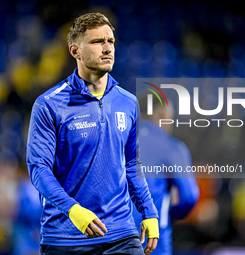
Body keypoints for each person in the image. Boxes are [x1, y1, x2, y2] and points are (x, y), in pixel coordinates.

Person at [26, 12, 159, 255]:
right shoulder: (49, 105)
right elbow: (38, 169)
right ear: (75, 51)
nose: (107, 48)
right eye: (98, 42)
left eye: (111, 41)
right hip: (65, 239)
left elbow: (131, 163)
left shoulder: (128, 102)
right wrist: (73, 210)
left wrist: (149, 212)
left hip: (121, 234)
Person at [132, 96, 199, 254]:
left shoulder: (116, 143)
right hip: (152, 240)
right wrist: (172, 214)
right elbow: (189, 197)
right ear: (162, 114)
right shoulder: (173, 148)